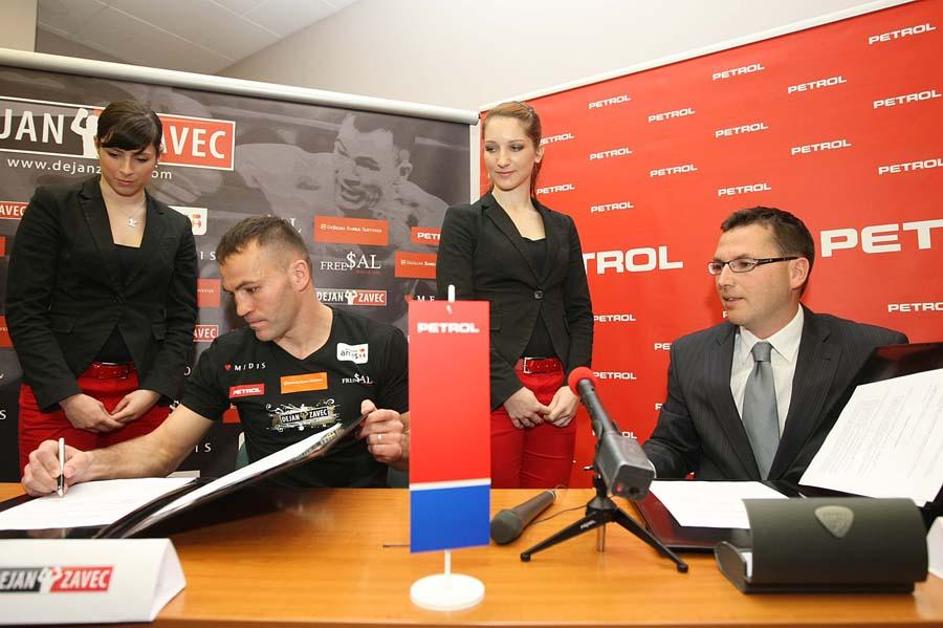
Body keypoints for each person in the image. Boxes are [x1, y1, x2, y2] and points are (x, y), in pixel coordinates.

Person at [21, 216, 407, 495]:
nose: (241, 308)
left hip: (362, 520)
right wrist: (85, 463)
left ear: (299, 275)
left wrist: (402, 447)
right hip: (269, 524)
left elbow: (416, 450)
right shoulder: (228, 355)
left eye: (252, 289)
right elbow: (162, 450)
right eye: (233, 294)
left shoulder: (380, 343)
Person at [642, 207, 908, 483]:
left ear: (796, 272)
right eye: (719, 267)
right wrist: (637, 466)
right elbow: (674, 446)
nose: (724, 281)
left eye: (744, 264)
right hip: (722, 512)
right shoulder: (690, 354)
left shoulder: (871, 353)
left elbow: (890, 458)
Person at [6, 99, 198, 469]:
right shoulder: (54, 205)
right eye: (114, 154)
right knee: (53, 501)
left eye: (141, 158)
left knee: (139, 505)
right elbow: (24, 309)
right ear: (96, 146)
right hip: (59, 393)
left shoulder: (176, 226)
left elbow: (181, 319)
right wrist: (67, 396)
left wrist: (153, 390)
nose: (126, 170)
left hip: (140, 400)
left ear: (159, 156)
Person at [435, 101, 594, 488]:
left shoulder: (563, 226)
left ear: (538, 152)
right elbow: (457, 319)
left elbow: (579, 313)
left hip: (557, 394)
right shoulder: (464, 221)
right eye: (492, 148)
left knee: (550, 506)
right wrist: (507, 390)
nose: (502, 160)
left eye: (516, 147)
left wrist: (574, 387)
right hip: (492, 390)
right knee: (492, 510)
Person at [236, 113, 450, 327]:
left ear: (401, 173)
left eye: (367, 165)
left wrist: (404, 247)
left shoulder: (426, 214)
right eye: (341, 152)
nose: (347, 175)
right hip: (302, 327)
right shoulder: (301, 175)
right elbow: (225, 163)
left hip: (383, 329)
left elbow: (450, 292)